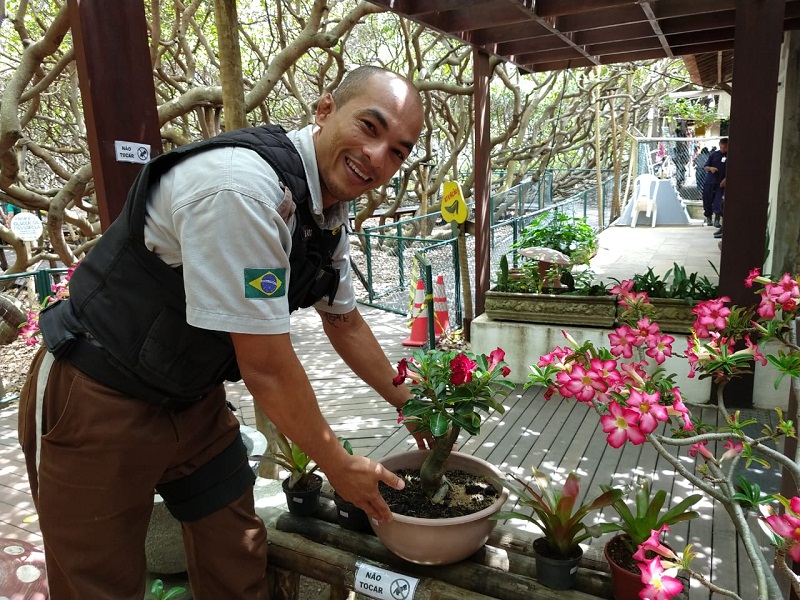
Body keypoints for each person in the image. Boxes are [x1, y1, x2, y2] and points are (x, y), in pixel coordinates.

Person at [18, 66, 428, 600]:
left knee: (236, 555)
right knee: (99, 583)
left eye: (398, 150)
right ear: (325, 110)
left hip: (191, 399)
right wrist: (338, 464)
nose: (378, 157)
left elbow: (344, 320)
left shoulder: (326, 208)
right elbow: (265, 367)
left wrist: (411, 402)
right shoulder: (245, 192)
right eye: (370, 127)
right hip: (100, 393)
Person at [701, 137, 728, 227]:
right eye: (721, 147)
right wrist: (711, 168)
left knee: (719, 201)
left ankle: (717, 219)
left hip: (721, 183)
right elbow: (706, 166)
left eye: (725, 148)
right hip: (710, 181)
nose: (723, 149)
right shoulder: (714, 155)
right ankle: (708, 218)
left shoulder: (730, 156)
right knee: (707, 199)